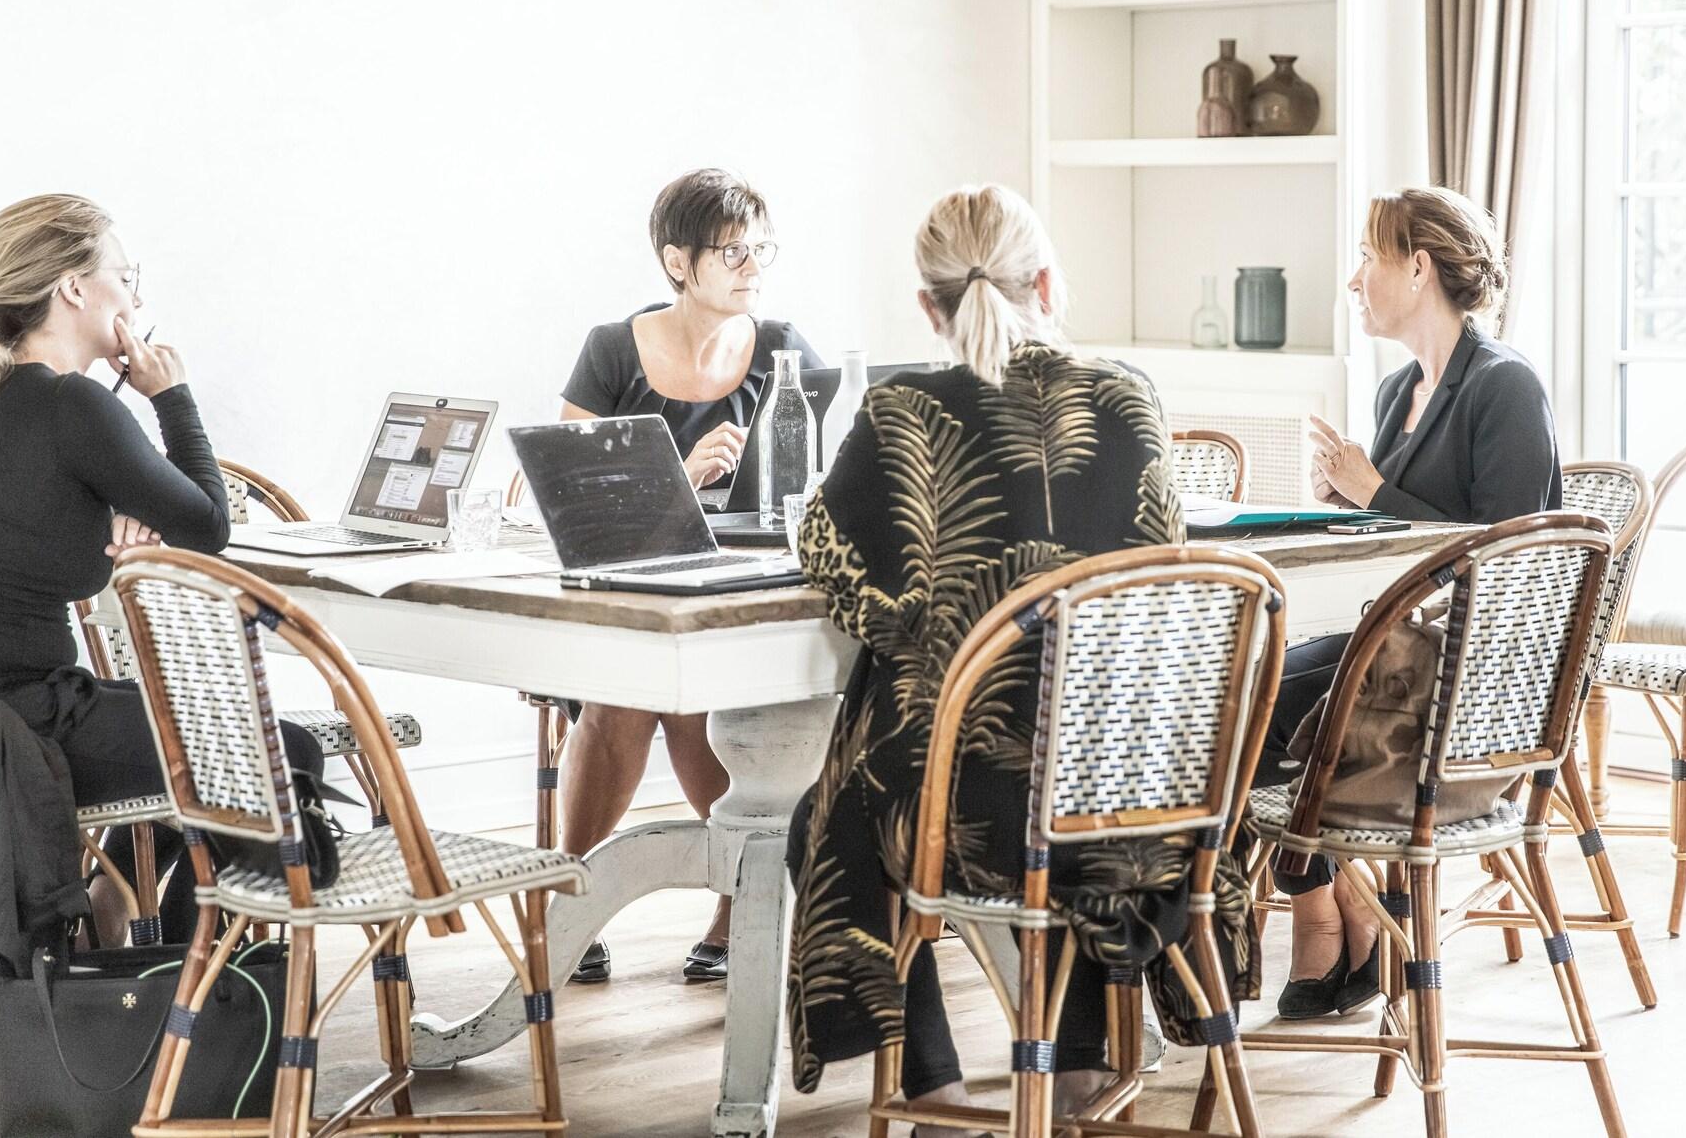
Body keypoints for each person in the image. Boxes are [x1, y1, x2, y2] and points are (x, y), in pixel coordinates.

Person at [783, 185, 1259, 1136]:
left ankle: (932, 1086)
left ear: (929, 307)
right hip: (1148, 794)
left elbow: (843, 572)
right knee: (1062, 782)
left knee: (823, 814)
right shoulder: (1128, 395)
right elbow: (1163, 572)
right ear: (1047, 281)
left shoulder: (900, 410)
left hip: (971, 813)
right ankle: (1079, 1068)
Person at [0, 194, 323, 947]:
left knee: (197, 728)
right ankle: (188, 967)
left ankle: (119, 920)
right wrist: (170, 393)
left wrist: (93, 514)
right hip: (34, 726)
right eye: (124, 274)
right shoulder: (70, 406)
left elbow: (11, 530)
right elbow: (208, 527)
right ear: (75, 289)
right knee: (276, 751)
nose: (136, 297)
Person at [1264, 184, 1561, 1020]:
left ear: (1419, 266)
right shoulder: (1399, 394)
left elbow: (1507, 565)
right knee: (1246, 688)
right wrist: (1342, 499)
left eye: (1368, 257)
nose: (1354, 279)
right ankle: (1333, 901)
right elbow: (1389, 541)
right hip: (1396, 649)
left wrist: (1375, 491)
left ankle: (1331, 908)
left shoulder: (1504, 388)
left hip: (1467, 682)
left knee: (1265, 702)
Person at [554, 168, 822, 984]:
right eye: (732, 251)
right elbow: (569, 485)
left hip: (745, 588)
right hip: (630, 585)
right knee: (630, 696)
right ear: (677, 261)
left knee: (698, 700)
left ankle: (738, 906)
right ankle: (575, 896)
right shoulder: (613, 348)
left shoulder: (784, 350)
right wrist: (679, 473)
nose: (752, 266)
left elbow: (817, 482)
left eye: (759, 248)